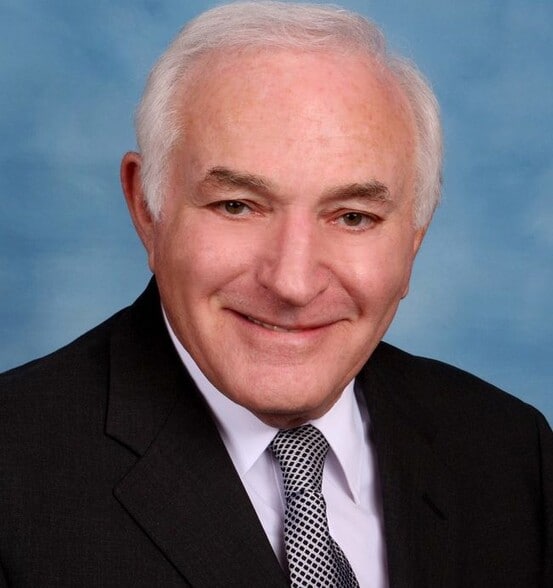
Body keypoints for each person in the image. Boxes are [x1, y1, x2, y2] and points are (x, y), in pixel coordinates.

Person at [1, 2, 551, 586]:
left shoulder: (512, 454)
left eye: (354, 217)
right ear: (147, 210)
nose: (292, 283)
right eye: (237, 206)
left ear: (414, 239)